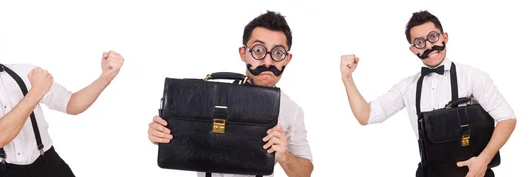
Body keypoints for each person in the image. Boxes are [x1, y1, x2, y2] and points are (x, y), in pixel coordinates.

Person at [0, 7, 124, 177]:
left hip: (49, 164)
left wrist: (105, 77)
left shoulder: (26, 72)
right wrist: (35, 93)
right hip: (5, 172)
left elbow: (72, 104)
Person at [340, 10, 516, 177]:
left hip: (474, 172)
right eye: (419, 42)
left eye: (433, 37)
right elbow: (366, 116)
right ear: (413, 50)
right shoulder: (407, 86)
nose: (429, 46)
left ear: (444, 37)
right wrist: (347, 78)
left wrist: (483, 160)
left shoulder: (473, 77)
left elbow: (507, 118)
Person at [147, 11, 314, 177]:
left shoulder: (292, 110)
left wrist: (284, 156)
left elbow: (305, 172)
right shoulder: (208, 96)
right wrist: (162, 133)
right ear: (243, 53)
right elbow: (184, 138)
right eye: (258, 50)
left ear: (287, 59)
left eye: (278, 53)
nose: (267, 62)